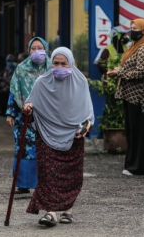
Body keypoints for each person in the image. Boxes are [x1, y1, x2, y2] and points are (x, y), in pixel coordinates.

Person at [22, 47, 94, 227]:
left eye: (64, 63)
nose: (59, 67)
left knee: (72, 177)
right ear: (50, 63)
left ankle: (68, 209)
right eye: (55, 63)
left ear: (71, 63)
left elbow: (88, 115)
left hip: (73, 136)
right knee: (47, 174)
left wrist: (83, 129)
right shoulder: (41, 82)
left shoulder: (81, 83)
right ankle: (50, 212)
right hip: (46, 134)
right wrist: (28, 108)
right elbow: (30, 107)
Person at [107, 18, 144, 176]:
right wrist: (121, 69)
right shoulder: (135, 47)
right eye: (131, 27)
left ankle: (138, 167)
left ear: (143, 31)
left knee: (139, 132)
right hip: (130, 96)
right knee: (132, 132)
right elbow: (133, 68)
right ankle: (134, 165)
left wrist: (119, 72)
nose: (131, 31)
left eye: (135, 28)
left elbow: (140, 72)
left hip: (139, 97)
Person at [6, 37, 51, 195]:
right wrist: (10, 113)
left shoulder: (52, 68)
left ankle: (43, 184)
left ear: (45, 49)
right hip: (24, 117)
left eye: (40, 48)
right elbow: (14, 92)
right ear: (28, 50)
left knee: (44, 150)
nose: (37, 51)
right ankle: (23, 184)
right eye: (33, 48)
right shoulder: (21, 69)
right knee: (23, 149)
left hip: (47, 119)